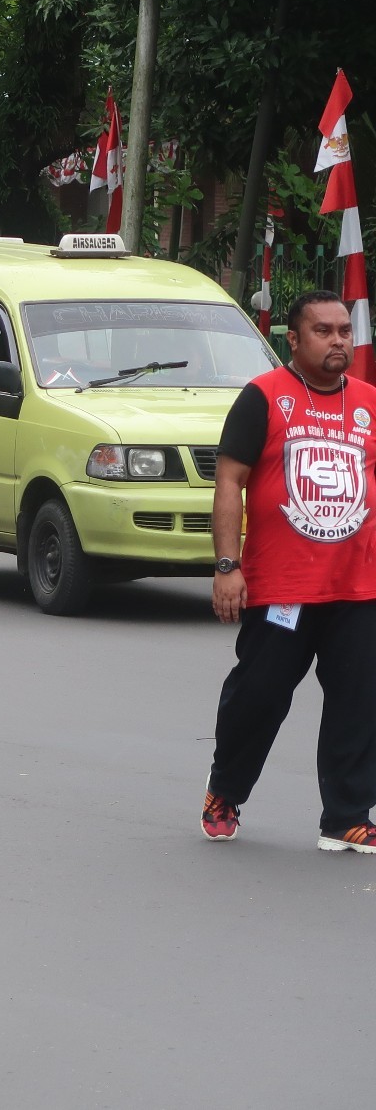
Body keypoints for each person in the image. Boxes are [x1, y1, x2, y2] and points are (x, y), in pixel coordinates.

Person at [202, 289, 376, 853]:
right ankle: (225, 790)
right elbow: (229, 481)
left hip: (357, 587)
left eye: (344, 331)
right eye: (323, 331)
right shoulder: (264, 398)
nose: (338, 341)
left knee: (359, 701)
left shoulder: (370, 403)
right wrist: (228, 565)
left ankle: (346, 817)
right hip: (283, 587)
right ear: (294, 340)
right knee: (260, 695)